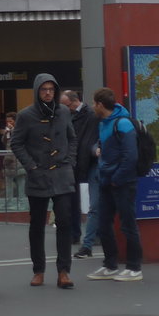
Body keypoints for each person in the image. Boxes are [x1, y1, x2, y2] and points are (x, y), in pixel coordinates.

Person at [11, 74, 77, 289]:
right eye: (43, 89)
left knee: (65, 222)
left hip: (62, 173)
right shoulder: (26, 115)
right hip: (38, 175)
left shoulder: (64, 111)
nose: (48, 93)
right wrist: (30, 166)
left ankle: (64, 271)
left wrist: (70, 160)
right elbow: (17, 143)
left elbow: (72, 138)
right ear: (37, 91)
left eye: (51, 89)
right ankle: (38, 270)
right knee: (37, 224)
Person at [88, 88, 143, 282]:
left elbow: (131, 156)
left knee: (128, 225)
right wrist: (97, 149)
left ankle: (134, 267)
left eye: (94, 103)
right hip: (107, 181)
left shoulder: (124, 123)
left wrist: (116, 178)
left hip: (122, 182)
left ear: (100, 105)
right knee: (104, 225)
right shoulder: (103, 123)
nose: (93, 107)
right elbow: (98, 144)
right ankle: (110, 264)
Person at [62, 89, 100, 258]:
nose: (66, 109)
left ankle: (88, 239)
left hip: (86, 162)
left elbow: (86, 140)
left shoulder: (90, 115)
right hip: (78, 161)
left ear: (75, 101)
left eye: (67, 105)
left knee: (93, 202)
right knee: (73, 198)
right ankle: (78, 234)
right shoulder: (73, 115)